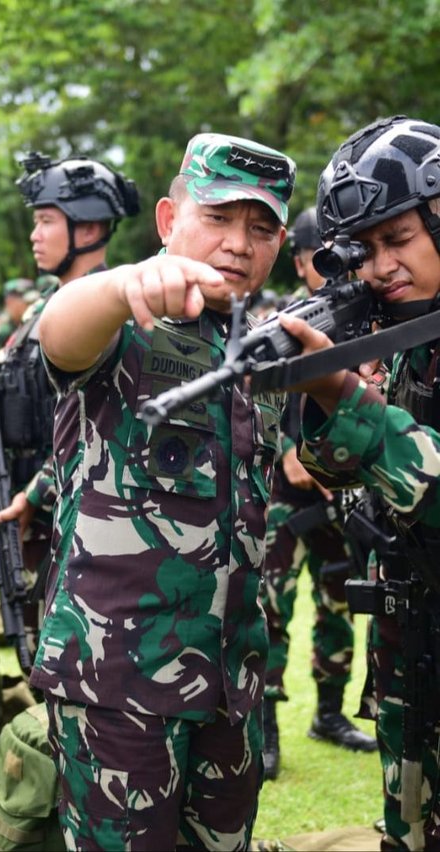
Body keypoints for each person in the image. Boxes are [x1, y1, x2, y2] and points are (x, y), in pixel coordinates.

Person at [32, 132, 296, 851]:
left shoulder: (257, 348)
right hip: (120, 684)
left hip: (231, 680)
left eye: (261, 227)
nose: (239, 243)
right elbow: (59, 336)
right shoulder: (125, 316)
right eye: (217, 217)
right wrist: (120, 286)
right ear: (167, 219)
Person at [277, 115, 440, 850]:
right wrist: (323, 394)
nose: (379, 268)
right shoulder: (409, 337)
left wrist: (350, 400)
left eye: (397, 239)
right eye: (364, 250)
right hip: (413, 664)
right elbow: (336, 474)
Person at [0, 152, 140, 664]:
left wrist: (35, 493)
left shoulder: (103, 316)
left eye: (45, 221)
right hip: (29, 515)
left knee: (64, 663)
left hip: (71, 521)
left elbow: (97, 429)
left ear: (89, 228)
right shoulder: (43, 308)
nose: (34, 235)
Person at [260, 208, 377, 781]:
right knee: (272, 610)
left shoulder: (368, 316)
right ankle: (263, 729)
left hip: (342, 500)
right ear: (302, 260)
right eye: (314, 257)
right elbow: (261, 391)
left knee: (337, 603)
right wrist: (285, 444)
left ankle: (328, 714)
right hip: (288, 498)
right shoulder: (283, 318)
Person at [0, 277, 39, 362]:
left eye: (33, 302)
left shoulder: (34, 317)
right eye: (27, 302)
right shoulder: (2, 325)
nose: (32, 306)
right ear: (9, 302)